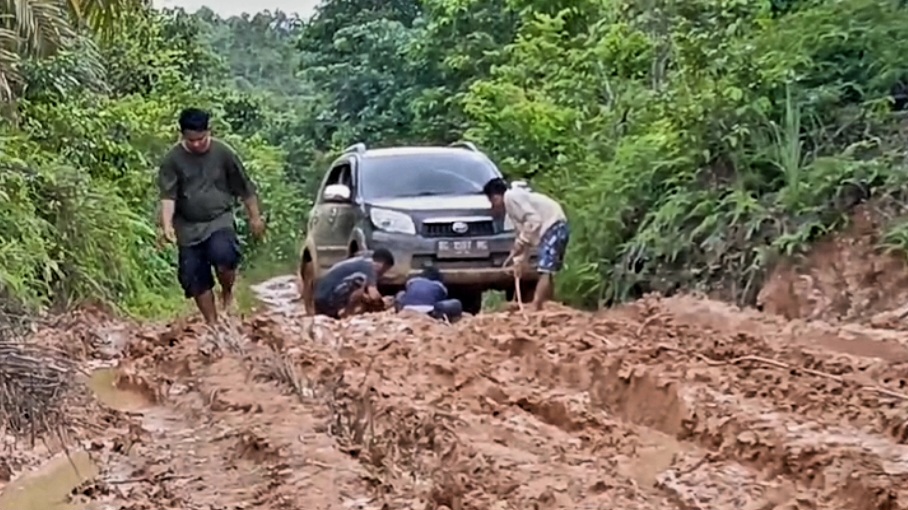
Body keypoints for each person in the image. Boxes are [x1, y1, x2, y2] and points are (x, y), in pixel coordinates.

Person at [157, 107, 265, 324]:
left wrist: (255, 217)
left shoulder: (224, 153)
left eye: (201, 139)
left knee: (224, 254)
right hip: (187, 225)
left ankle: (227, 291)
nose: (196, 144)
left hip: (219, 218)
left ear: (209, 132)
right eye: (191, 140)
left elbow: (245, 188)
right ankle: (212, 324)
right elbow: (168, 196)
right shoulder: (172, 159)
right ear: (182, 136)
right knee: (194, 276)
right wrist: (166, 225)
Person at [482, 177, 569, 311]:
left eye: (492, 201)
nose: (494, 206)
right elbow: (525, 232)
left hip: (553, 225)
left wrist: (521, 242)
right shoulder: (512, 207)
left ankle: (537, 305)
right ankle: (545, 304)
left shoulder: (511, 197)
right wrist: (519, 260)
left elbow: (534, 221)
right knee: (547, 270)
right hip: (553, 227)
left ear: (496, 196)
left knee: (545, 269)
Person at [314, 249, 395, 319]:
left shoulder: (362, 262)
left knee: (362, 290)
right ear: (382, 264)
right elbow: (374, 295)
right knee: (359, 281)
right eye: (385, 270)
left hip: (319, 297)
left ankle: (342, 310)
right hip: (327, 299)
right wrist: (385, 303)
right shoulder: (369, 267)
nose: (382, 273)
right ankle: (344, 313)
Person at [395, 267, 464, 321]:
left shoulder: (412, 282)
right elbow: (442, 298)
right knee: (456, 303)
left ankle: (398, 312)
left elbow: (402, 295)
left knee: (401, 294)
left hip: (407, 309)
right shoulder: (439, 285)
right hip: (429, 312)